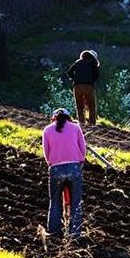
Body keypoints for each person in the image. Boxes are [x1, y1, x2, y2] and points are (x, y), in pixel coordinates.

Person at [41, 108, 86, 238]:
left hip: (56, 169)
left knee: (55, 202)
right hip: (74, 168)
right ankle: (75, 234)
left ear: (53, 118)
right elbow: (83, 149)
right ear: (68, 118)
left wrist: (52, 163)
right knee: (75, 203)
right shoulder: (76, 128)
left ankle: (54, 232)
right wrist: (79, 162)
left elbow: (46, 154)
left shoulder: (47, 130)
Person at [65, 50, 99, 126]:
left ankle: (81, 122)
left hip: (77, 86)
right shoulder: (93, 63)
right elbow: (96, 75)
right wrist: (90, 80)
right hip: (88, 86)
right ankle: (92, 123)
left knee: (79, 105)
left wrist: (75, 79)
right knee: (91, 106)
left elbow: (69, 72)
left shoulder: (78, 62)